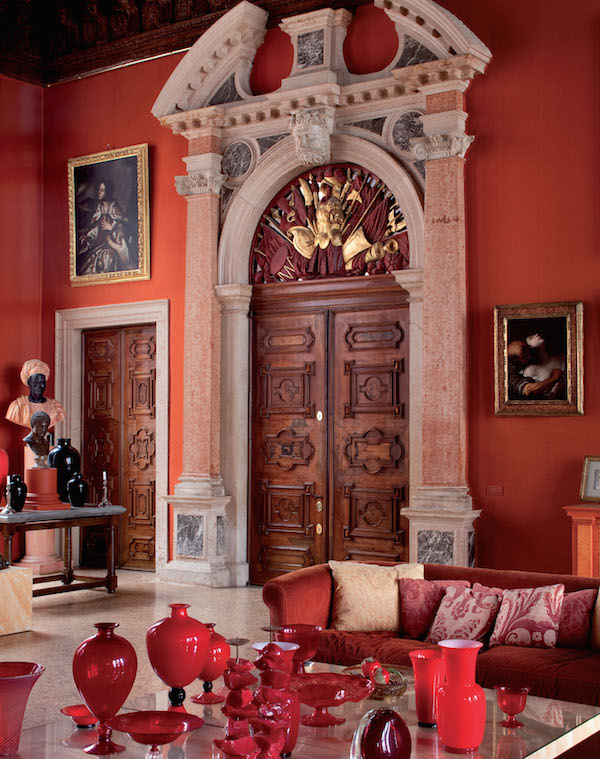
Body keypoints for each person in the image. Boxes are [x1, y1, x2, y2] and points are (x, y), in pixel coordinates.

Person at [77, 180, 133, 274]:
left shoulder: (115, 209)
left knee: (106, 257)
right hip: (97, 244)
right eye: (99, 190)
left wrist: (111, 228)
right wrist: (89, 236)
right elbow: (95, 228)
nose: (99, 192)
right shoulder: (99, 209)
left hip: (110, 245)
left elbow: (125, 227)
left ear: (108, 192)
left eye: (102, 190)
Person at [5, 359, 66, 429]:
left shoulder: (55, 407)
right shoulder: (18, 406)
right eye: (35, 382)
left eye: (41, 382)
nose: (39, 386)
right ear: (29, 383)